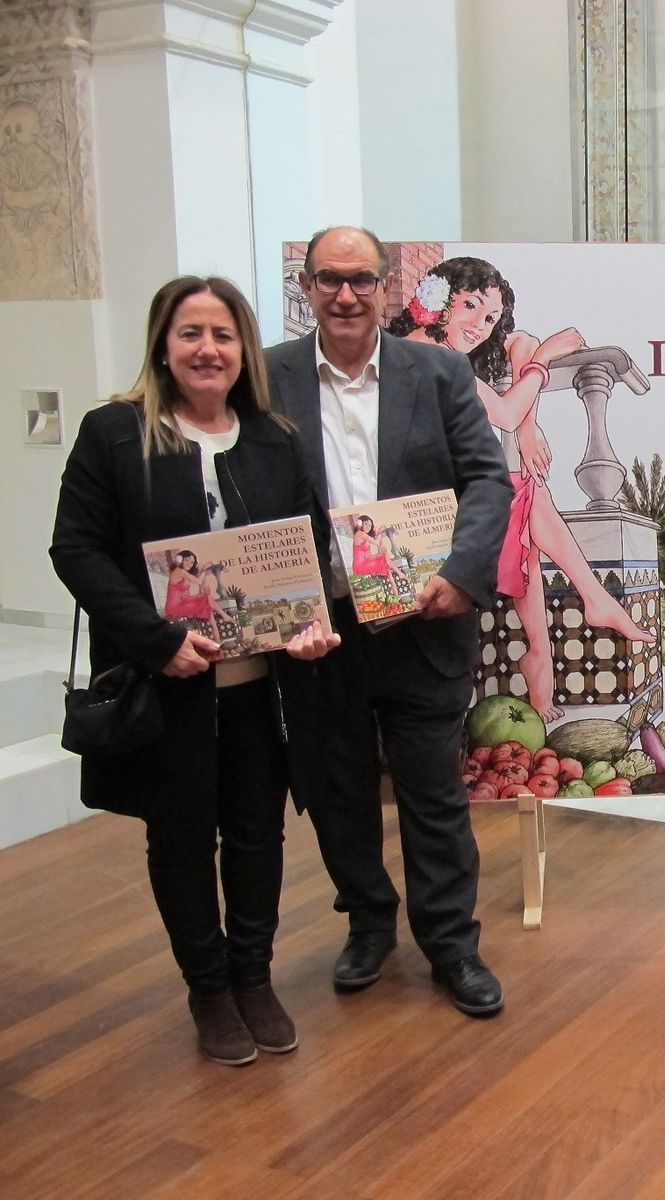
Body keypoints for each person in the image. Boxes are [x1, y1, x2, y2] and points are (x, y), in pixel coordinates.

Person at [50, 276, 339, 1066]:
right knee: (179, 840)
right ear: (162, 346)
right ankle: (208, 989)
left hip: (259, 690)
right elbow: (74, 549)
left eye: (222, 334)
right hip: (165, 684)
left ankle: (254, 977)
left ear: (244, 349)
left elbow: (303, 547)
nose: (207, 349)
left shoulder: (273, 438)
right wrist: (153, 640)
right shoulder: (113, 433)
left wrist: (308, 627)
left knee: (256, 834)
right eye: (190, 334)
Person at [268, 227, 513, 1016]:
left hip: (423, 622)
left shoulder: (438, 371)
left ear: (383, 288)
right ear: (307, 288)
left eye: (360, 279)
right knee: (336, 791)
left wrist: (458, 574)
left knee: (433, 797)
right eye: (329, 280)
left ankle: (451, 945)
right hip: (319, 633)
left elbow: (487, 481)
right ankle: (367, 924)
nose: (345, 295)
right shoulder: (265, 379)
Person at [389, 255, 654, 722]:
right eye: (469, 306)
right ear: (438, 300)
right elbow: (506, 412)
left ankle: (544, 648)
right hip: (415, 511)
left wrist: (529, 421)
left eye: (489, 317)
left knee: (524, 504)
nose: (479, 325)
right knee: (519, 491)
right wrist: (543, 360)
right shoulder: (426, 349)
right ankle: (584, 608)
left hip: (439, 496)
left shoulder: (438, 345)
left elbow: (518, 349)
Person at [164, 549, 231, 642]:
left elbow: (206, 564)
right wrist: (205, 575)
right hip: (175, 607)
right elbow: (198, 582)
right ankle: (223, 619)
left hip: (184, 603)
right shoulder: (179, 571)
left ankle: (217, 636)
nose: (189, 564)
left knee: (205, 599)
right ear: (180, 559)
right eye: (187, 560)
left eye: (192, 562)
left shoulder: (183, 571)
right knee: (205, 598)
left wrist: (215, 566)